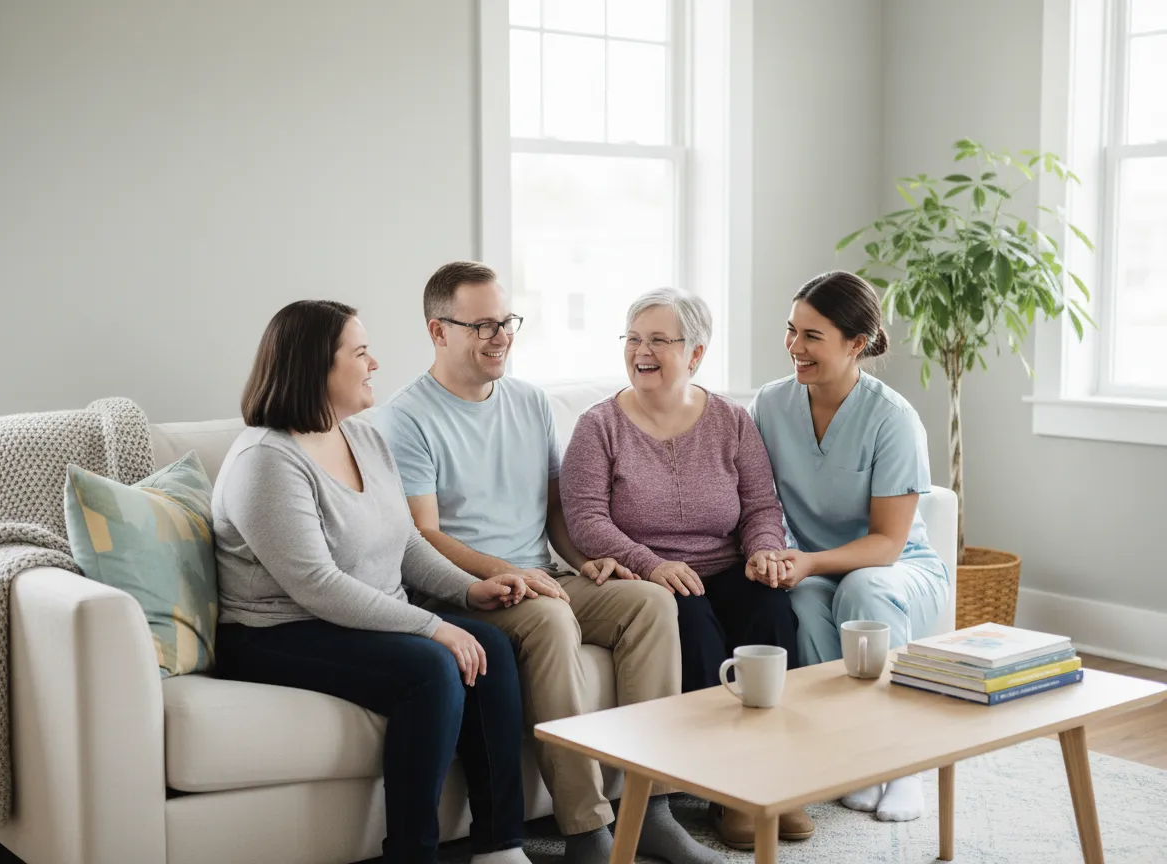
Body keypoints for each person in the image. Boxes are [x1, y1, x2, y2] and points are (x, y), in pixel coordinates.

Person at [370, 263, 717, 864]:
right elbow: (421, 534)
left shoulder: (530, 403)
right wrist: (504, 575)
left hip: (544, 576)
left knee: (652, 602)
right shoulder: (407, 417)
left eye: (505, 321)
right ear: (438, 331)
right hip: (463, 590)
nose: (500, 335)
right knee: (552, 622)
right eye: (481, 324)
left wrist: (589, 561)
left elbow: (558, 514)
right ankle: (585, 829)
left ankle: (651, 807)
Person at [213, 300, 532, 864]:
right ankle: (410, 854)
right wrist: (433, 626)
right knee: (432, 669)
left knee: (493, 647)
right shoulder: (266, 459)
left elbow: (405, 540)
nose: (375, 363)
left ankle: (500, 846)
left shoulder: (363, 437)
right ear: (317, 367)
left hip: (356, 620)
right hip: (276, 632)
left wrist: (466, 590)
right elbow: (317, 585)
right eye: (360, 353)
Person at [560, 288, 812, 849]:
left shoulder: (731, 420)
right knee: (693, 628)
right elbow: (585, 520)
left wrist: (765, 550)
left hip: (726, 563)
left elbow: (760, 507)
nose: (641, 351)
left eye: (658, 341)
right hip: (651, 574)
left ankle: (775, 777)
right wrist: (651, 564)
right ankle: (729, 793)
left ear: (695, 354)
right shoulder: (598, 426)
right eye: (633, 339)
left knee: (773, 611)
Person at [749, 270, 951, 824]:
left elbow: (888, 543)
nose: (795, 347)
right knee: (802, 601)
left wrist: (809, 560)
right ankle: (853, 758)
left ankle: (902, 763)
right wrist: (775, 553)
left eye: (812, 336)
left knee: (862, 590)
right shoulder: (769, 405)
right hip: (816, 569)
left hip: (899, 571)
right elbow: (755, 500)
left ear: (855, 343)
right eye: (791, 331)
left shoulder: (892, 418)